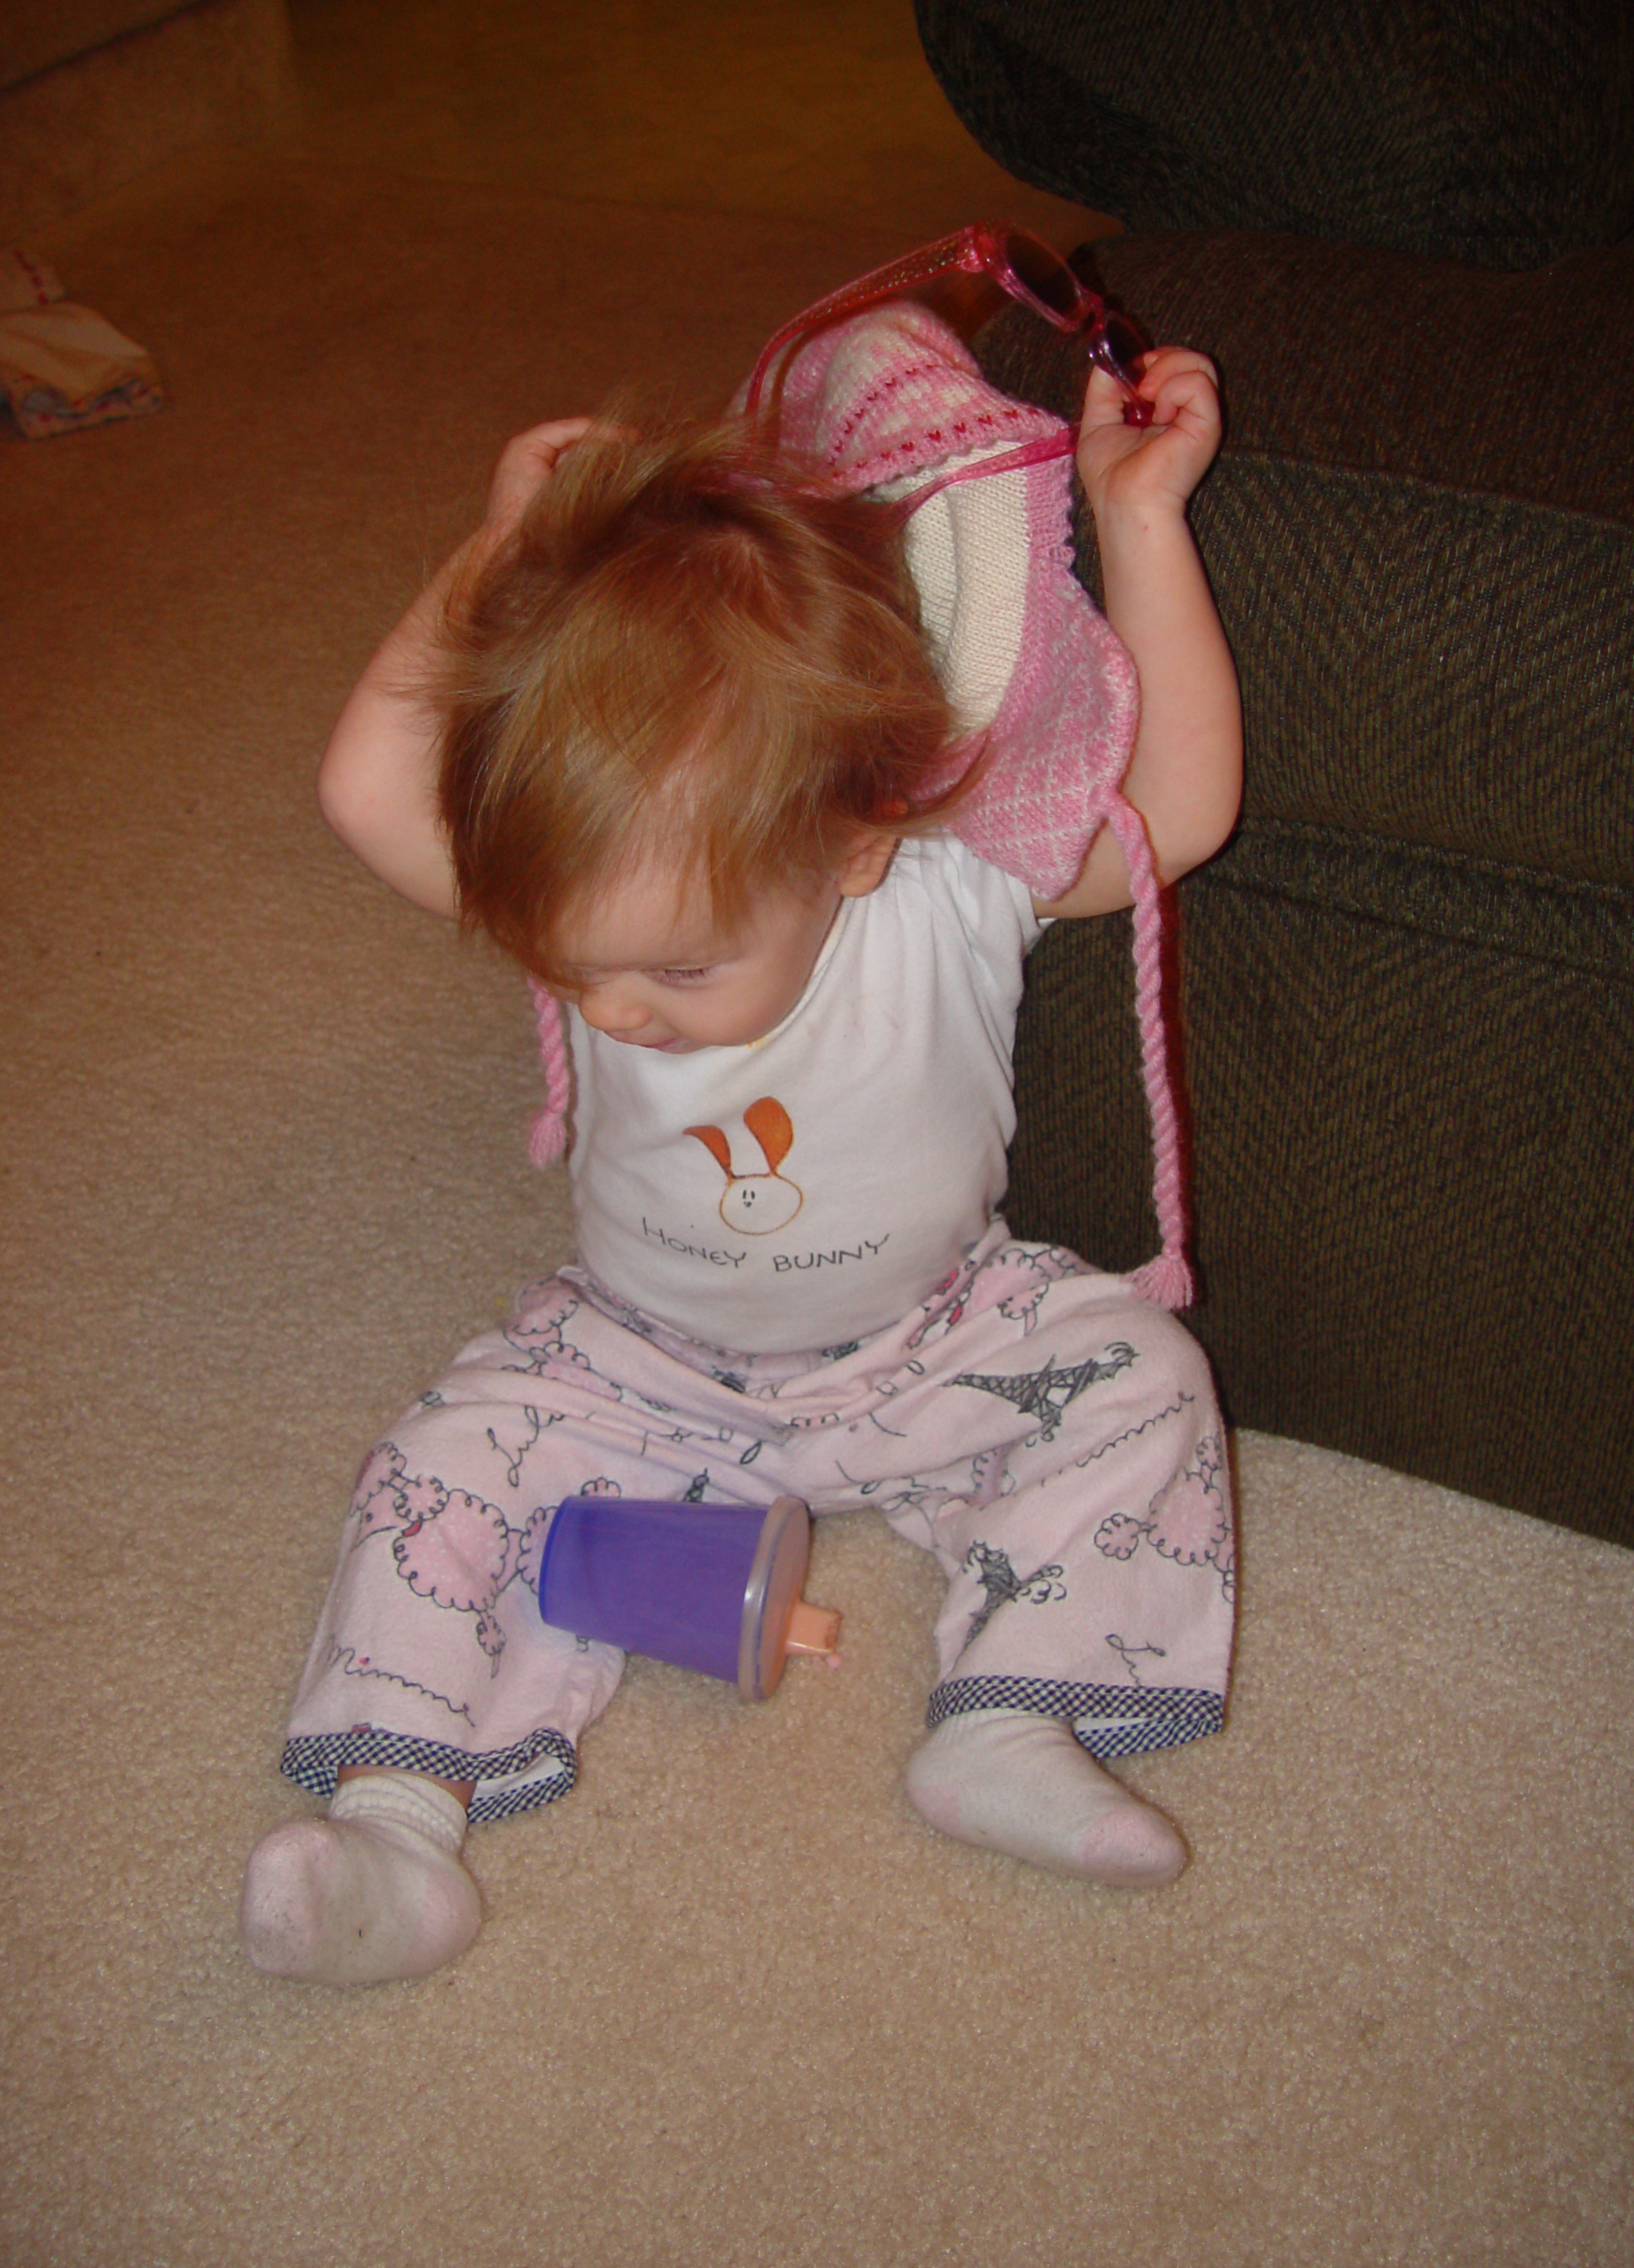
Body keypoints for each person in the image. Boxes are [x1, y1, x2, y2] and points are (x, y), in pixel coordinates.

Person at [238, 318, 1243, 1988]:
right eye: (576, 963)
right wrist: (499, 553)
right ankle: (400, 1827)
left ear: (851, 849)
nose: (617, 1010)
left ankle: (1012, 1720)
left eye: (679, 968)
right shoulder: (604, 893)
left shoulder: (942, 891)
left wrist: (1139, 519)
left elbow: (1181, 806)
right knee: (440, 1467)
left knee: (1138, 1374)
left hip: (935, 1336)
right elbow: (368, 789)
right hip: (637, 1354)